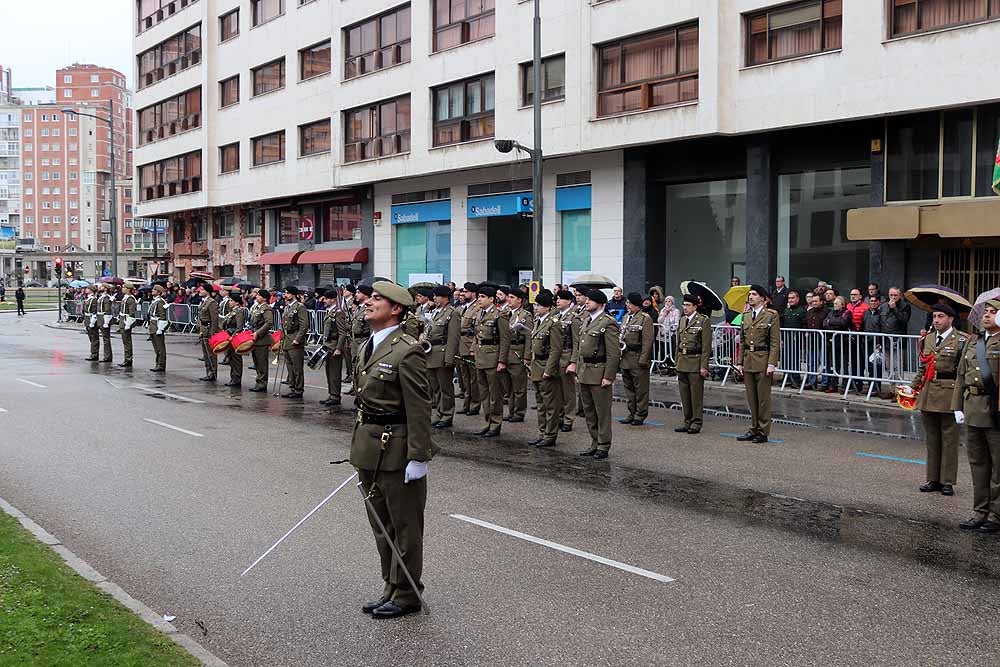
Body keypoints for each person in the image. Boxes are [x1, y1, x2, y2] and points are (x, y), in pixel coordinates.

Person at [352, 280, 435, 620]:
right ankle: (390, 585)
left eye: (376, 299)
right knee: (381, 525)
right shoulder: (369, 345)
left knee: (404, 527)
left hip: (397, 450)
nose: (367, 303)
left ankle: (407, 594)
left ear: (396, 308)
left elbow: (419, 407)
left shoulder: (408, 349)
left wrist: (419, 456)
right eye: (369, 298)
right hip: (369, 447)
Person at [952, 299, 1000, 533]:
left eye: (994, 312)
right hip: (972, 408)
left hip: (995, 411)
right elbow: (961, 375)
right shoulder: (974, 341)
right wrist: (957, 406)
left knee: (998, 466)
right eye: (986, 312)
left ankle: (997, 514)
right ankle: (980, 511)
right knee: (978, 464)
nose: (987, 316)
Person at [912, 303, 967, 496]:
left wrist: (961, 400)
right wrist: (912, 387)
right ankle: (933, 479)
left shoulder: (961, 340)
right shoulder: (928, 339)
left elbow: (963, 372)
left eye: (941, 316)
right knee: (932, 440)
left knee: (949, 440)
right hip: (928, 393)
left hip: (949, 394)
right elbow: (923, 367)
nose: (936, 320)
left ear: (951, 319)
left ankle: (947, 481)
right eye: (934, 316)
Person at [574, 289, 621, 459]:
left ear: (600, 304)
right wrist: (578, 370)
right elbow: (580, 349)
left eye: (590, 300)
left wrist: (609, 376)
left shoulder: (608, 323)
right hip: (585, 372)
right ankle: (594, 442)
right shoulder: (586, 320)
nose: (586, 302)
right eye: (586, 300)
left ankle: (603, 444)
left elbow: (614, 353)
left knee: (602, 412)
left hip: (599, 372)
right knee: (589, 411)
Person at [736, 285, 781, 444]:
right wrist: (739, 362)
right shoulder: (746, 315)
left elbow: (775, 342)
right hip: (748, 359)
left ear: (762, 298)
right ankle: (753, 427)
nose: (751, 297)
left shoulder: (771, 315)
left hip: (762, 359)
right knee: (751, 398)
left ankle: (763, 431)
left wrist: (771, 364)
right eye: (750, 294)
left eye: (754, 294)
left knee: (763, 399)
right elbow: (742, 341)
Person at [472, 284, 510, 438]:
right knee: (484, 393)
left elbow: (505, 340)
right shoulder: (479, 313)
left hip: (493, 357)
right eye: (479, 296)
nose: (479, 299)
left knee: (495, 394)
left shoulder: (499, 315)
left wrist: (502, 361)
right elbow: (476, 335)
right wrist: (474, 350)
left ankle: (495, 423)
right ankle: (487, 421)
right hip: (481, 357)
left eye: (482, 297)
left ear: (491, 299)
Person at [527, 289, 563, 448]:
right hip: (537, 366)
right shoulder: (538, 321)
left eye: (539, 305)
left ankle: (550, 434)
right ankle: (542, 433)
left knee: (550, 404)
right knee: (541, 404)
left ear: (548, 307)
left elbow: (556, 349)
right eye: (535, 305)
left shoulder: (553, 323)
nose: (536, 307)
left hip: (546, 366)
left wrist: (549, 370)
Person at [675, 294, 713, 434]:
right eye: (684, 305)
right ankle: (687, 420)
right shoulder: (683, 320)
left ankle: (696, 421)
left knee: (695, 395)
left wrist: (704, 365)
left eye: (688, 305)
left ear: (695, 307)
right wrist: (676, 361)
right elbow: (678, 343)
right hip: (682, 360)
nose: (685, 308)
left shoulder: (703, 321)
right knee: (685, 395)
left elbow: (706, 346)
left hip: (695, 361)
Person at [425, 285, 460, 428]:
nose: (434, 298)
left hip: (443, 353)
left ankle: (447, 414)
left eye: (437, 296)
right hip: (431, 353)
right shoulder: (434, 312)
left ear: (445, 297)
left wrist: (449, 358)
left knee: (445, 387)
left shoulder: (452, 313)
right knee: (436, 387)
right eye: (434, 296)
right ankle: (439, 413)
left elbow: (453, 337)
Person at [619, 292, 654, 426]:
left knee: (640, 389)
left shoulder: (645, 318)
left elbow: (647, 341)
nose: (627, 305)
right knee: (629, 388)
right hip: (626, 357)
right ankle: (631, 412)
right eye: (627, 303)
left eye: (630, 303)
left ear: (636, 305)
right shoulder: (626, 317)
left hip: (637, 357)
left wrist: (643, 359)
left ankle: (640, 414)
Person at [555, 290, 581, 432]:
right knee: (557, 389)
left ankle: (568, 418)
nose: (558, 301)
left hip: (567, 353)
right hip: (556, 355)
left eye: (561, 299)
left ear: (569, 301)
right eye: (557, 298)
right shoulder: (556, 316)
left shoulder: (574, 318)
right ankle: (559, 416)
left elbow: (577, 342)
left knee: (568, 391)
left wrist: (573, 361)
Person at [280, 285, 309, 399]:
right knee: (289, 366)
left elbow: (304, 325)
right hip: (287, 339)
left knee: (297, 367)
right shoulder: (287, 307)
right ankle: (292, 387)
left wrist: (298, 339)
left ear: (293, 294)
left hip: (295, 339)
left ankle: (298, 389)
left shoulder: (300, 307)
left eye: (287, 293)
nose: (285, 295)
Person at [457, 282, 481, 416]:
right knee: (464, 377)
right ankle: (466, 403)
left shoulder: (477, 307)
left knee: (473, 378)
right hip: (461, 344)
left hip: (470, 343)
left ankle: (475, 404)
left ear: (473, 293)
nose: (463, 294)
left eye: (466, 292)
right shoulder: (461, 308)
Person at [823, 295, 854, 394]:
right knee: (833, 364)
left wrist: (831, 322)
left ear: (842, 304)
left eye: (836, 303)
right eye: (834, 303)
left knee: (844, 365)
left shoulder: (847, 312)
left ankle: (844, 385)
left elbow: (843, 322)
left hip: (843, 342)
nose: (834, 305)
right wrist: (834, 324)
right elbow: (825, 323)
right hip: (832, 342)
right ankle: (833, 384)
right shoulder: (831, 312)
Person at [879, 286, 911, 380]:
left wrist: (895, 309)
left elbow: (904, 320)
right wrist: (879, 341)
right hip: (886, 340)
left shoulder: (905, 306)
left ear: (900, 295)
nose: (893, 297)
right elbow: (881, 322)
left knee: (898, 365)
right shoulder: (884, 306)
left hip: (898, 341)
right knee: (888, 365)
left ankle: (899, 387)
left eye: (895, 295)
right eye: (891, 295)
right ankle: (891, 387)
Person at [347, 285, 373, 396]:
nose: (356, 295)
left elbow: (372, 328)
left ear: (365, 294)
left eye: (358, 292)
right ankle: (355, 387)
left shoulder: (369, 307)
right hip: (355, 341)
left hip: (363, 341)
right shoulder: (358, 308)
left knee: (362, 367)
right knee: (355, 365)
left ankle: (362, 392)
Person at [247, 290, 274, 392]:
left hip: (262, 339)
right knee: (256, 362)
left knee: (262, 363)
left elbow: (268, 323)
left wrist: (257, 333)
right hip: (254, 338)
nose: (256, 296)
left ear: (264, 298)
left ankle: (262, 383)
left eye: (259, 295)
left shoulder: (266, 309)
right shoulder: (256, 308)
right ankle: (259, 382)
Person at [804, 292, 829, 390]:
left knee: (824, 363)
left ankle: (824, 383)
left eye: (816, 301)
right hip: (811, 341)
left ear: (821, 302)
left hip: (822, 341)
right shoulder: (809, 312)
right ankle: (812, 382)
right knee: (811, 363)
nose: (814, 303)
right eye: (813, 301)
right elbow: (805, 323)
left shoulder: (826, 312)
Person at [222, 291, 247, 388]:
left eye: (231, 301)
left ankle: (237, 378)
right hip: (229, 336)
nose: (229, 302)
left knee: (236, 359)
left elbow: (239, 327)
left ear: (237, 302)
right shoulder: (232, 311)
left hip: (235, 338)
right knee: (231, 358)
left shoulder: (238, 312)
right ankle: (233, 377)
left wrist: (233, 336)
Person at [196, 283, 220, 381]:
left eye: (202, 290)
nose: (200, 291)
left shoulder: (211, 302)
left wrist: (213, 333)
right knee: (205, 353)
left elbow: (214, 319)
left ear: (207, 291)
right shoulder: (203, 302)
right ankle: (208, 372)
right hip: (203, 329)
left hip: (209, 329)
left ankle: (212, 373)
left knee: (211, 354)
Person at [148, 284, 169, 372]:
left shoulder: (160, 302)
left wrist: (160, 328)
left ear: (159, 292)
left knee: (160, 347)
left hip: (157, 325)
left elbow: (162, 315)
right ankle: (157, 363)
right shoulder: (155, 301)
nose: (152, 290)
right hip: (153, 324)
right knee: (156, 347)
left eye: (154, 290)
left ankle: (161, 364)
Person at [118, 282, 139, 368]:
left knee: (127, 341)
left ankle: (128, 359)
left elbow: (132, 312)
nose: (122, 289)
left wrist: (128, 324)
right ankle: (127, 358)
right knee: (125, 341)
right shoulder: (125, 298)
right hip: (123, 320)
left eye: (124, 287)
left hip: (127, 321)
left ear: (128, 289)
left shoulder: (130, 299)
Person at [97, 283, 114, 363]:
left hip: (104, 319)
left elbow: (107, 310)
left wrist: (106, 321)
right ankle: (106, 355)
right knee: (104, 338)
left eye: (102, 286)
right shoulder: (101, 297)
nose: (100, 287)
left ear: (106, 289)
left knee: (106, 339)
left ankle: (107, 356)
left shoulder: (106, 298)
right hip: (100, 318)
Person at [83, 284, 100, 360]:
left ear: (91, 290)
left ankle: (94, 354)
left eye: (87, 288)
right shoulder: (89, 298)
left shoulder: (93, 299)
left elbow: (94, 311)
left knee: (94, 338)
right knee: (91, 337)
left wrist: (93, 321)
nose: (86, 289)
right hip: (87, 319)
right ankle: (93, 353)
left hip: (91, 319)